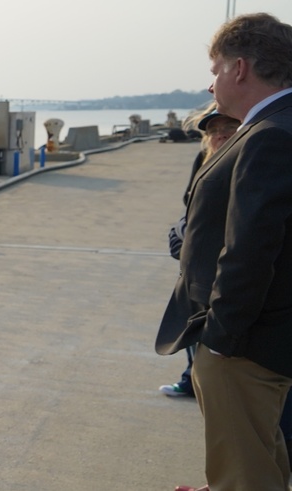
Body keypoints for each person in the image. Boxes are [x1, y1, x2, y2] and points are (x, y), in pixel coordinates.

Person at [156, 13, 292, 491]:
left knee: (244, 478)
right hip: (261, 339)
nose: (211, 83)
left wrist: (220, 338)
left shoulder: (270, 136)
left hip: (245, 347)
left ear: (240, 69)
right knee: (265, 468)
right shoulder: (277, 126)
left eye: (215, 69)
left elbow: (251, 248)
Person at [158, 109, 239, 398]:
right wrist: (181, 232)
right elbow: (191, 206)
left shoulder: (252, 160)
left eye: (229, 126)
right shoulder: (205, 159)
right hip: (198, 266)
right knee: (192, 321)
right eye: (213, 130)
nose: (220, 134)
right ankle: (191, 378)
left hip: (225, 266)